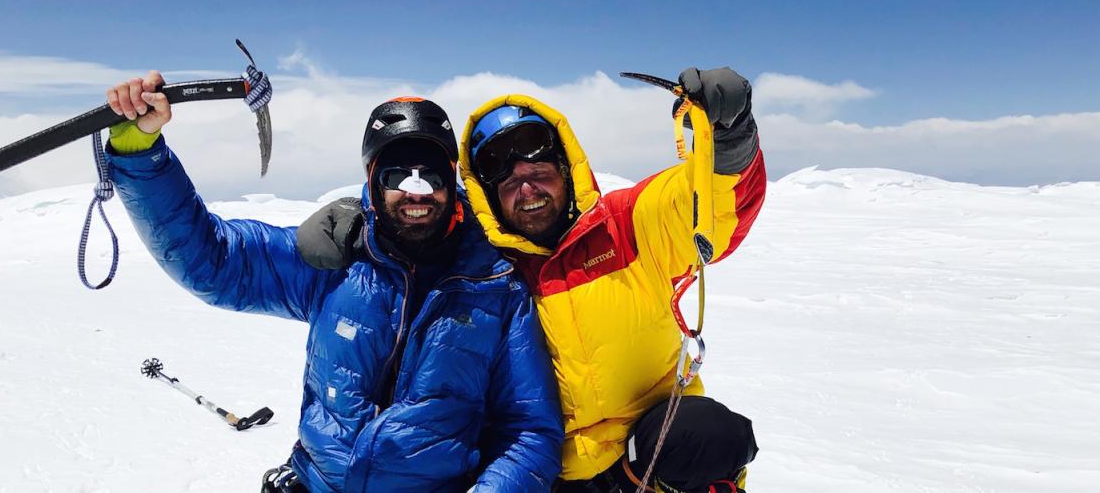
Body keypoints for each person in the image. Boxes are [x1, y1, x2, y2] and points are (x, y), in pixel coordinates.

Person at [299, 67, 766, 492]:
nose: (528, 190)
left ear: (567, 168)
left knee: (707, 433)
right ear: (487, 197)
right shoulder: (481, 262)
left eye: (540, 173)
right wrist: (361, 219)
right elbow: (418, 229)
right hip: (545, 470)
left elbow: (704, 204)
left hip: (642, 448)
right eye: (508, 184)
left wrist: (729, 140)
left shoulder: (627, 225)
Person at [103, 73, 563, 492]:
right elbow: (214, 261)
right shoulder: (333, 260)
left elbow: (529, 430)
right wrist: (141, 154)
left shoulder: (496, 287)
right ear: (373, 183)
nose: (416, 191)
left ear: (453, 182)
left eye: (432, 176)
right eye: (398, 175)